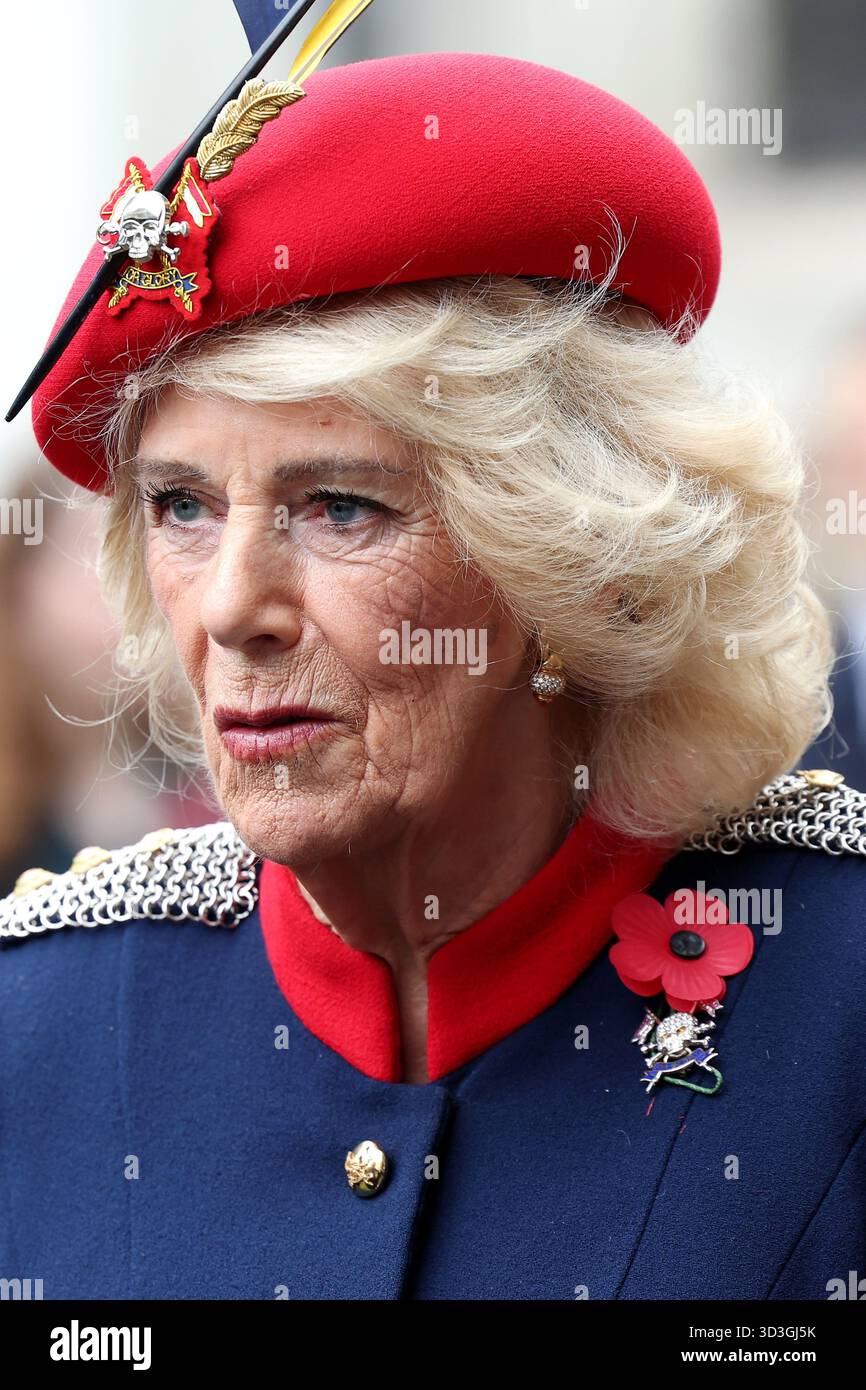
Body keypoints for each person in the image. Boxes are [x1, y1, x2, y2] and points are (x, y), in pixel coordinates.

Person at [2, 50, 864, 1302]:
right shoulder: (41, 1030)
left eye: (340, 505)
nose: (234, 604)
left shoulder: (834, 992)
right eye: (182, 506)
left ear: (574, 562)